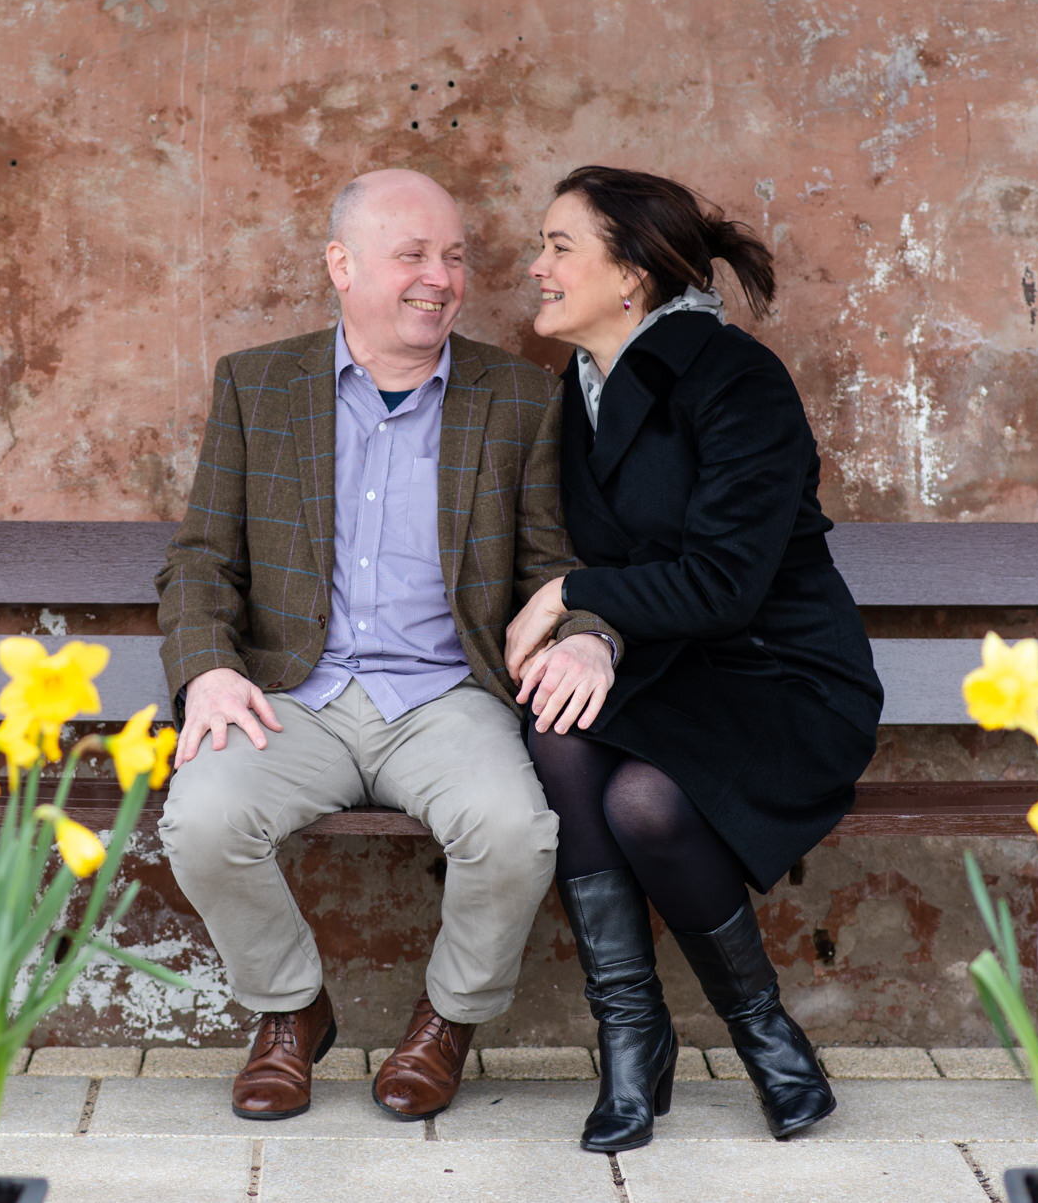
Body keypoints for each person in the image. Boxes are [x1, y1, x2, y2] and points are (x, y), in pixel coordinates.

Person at [155, 168, 620, 1124]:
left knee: (515, 830)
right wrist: (206, 669)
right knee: (200, 821)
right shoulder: (260, 385)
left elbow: (554, 566)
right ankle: (291, 1011)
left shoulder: (518, 397)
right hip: (294, 692)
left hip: (449, 697)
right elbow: (201, 558)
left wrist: (590, 635)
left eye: (453, 257)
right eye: (412, 254)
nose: (439, 278)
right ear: (343, 265)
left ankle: (448, 1019)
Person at [504, 166, 882, 1152]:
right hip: (676, 669)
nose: (534, 267)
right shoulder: (579, 390)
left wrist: (571, 598)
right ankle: (631, 1035)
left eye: (557, 246)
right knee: (558, 731)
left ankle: (765, 1034)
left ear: (628, 276)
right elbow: (620, 562)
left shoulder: (732, 377)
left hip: (783, 676)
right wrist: (588, 632)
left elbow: (721, 583)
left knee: (645, 798)